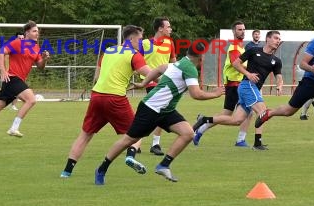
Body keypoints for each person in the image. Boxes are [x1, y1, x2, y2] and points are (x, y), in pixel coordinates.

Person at [94, 41, 224, 185]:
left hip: (166, 110)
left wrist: (144, 84)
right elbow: (196, 94)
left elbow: (160, 68)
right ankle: (101, 168)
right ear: (201, 56)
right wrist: (216, 94)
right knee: (129, 140)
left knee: (188, 133)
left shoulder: (182, 63)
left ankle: (163, 165)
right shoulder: (190, 69)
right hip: (150, 109)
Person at [60, 25, 151, 178]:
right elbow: (149, 74)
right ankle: (130, 156)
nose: (141, 43)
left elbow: (96, 77)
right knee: (138, 131)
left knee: (85, 135)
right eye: (140, 39)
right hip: (115, 98)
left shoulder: (108, 51)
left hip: (96, 96)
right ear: (131, 38)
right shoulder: (134, 55)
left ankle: (66, 172)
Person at [255, 16, 314, 158]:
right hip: (309, 83)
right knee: (288, 111)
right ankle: (269, 113)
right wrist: (313, 69)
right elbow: (302, 64)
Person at [193, 30, 283, 150]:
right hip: (247, 85)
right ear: (268, 39)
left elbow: (279, 76)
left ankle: (204, 119)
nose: (278, 41)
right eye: (276, 38)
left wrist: (279, 85)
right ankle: (257, 143)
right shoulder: (253, 50)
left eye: (279, 39)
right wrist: (248, 74)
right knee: (263, 112)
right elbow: (236, 63)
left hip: (253, 88)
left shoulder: (276, 61)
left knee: (237, 120)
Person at [192, 20, 259, 148]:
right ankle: (239, 140)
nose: (242, 31)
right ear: (234, 31)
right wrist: (248, 74)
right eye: (239, 29)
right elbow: (235, 64)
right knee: (244, 113)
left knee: (231, 114)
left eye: (244, 29)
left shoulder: (241, 47)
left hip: (238, 85)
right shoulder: (234, 47)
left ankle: (201, 127)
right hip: (234, 85)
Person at [142, 17, 176, 156]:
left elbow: (173, 61)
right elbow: (136, 61)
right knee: (158, 111)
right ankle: (153, 143)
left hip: (165, 82)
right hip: (151, 82)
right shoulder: (144, 43)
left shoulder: (170, 43)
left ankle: (139, 142)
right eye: (168, 26)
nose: (170, 29)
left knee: (157, 112)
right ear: (160, 28)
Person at [9, 32, 25, 111]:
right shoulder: (11, 46)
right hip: (11, 74)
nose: (21, 40)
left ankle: (12, 105)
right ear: (15, 39)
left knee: (14, 91)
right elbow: (2, 54)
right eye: (19, 38)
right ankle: (12, 105)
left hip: (20, 74)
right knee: (17, 90)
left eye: (22, 39)